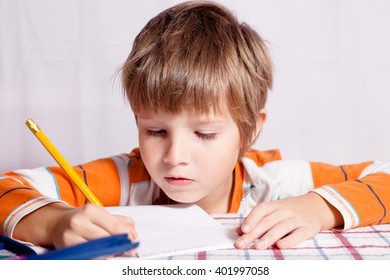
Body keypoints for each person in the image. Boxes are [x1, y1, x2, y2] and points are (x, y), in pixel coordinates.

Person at [1, 1, 389, 252]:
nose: (174, 157)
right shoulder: (124, 179)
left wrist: (318, 207)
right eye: (155, 131)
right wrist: (55, 223)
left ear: (251, 130)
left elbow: (383, 177)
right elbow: (6, 188)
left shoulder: (273, 181)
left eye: (204, 134)